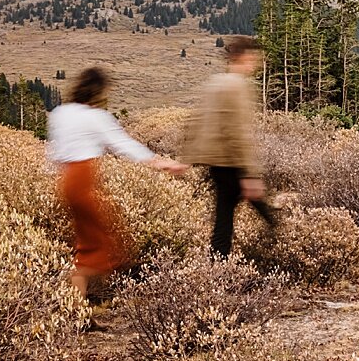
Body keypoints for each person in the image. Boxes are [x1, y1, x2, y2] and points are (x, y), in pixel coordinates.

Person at [47, 67, 185, 320]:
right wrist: (159, 162)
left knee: (88, 245)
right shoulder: (95, 116)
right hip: (83, 181)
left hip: (65, 181)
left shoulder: (60, 113)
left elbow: (53, 152)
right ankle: (81, 306)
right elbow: (122, 144)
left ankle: (78, 312)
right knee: (108, 244)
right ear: (99, 91)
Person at [182, 35, 276, 255]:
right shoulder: (238, 86)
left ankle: (218, 264)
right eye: (254, 59)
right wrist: (249, 174)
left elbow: (195, 122)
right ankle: (287, 245)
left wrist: (187, 158)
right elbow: (238, 133)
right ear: (242, 57)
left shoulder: (215, 84)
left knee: (224, 217)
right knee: (262, 209)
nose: (256, 64)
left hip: (216, 162)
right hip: (233, 163)